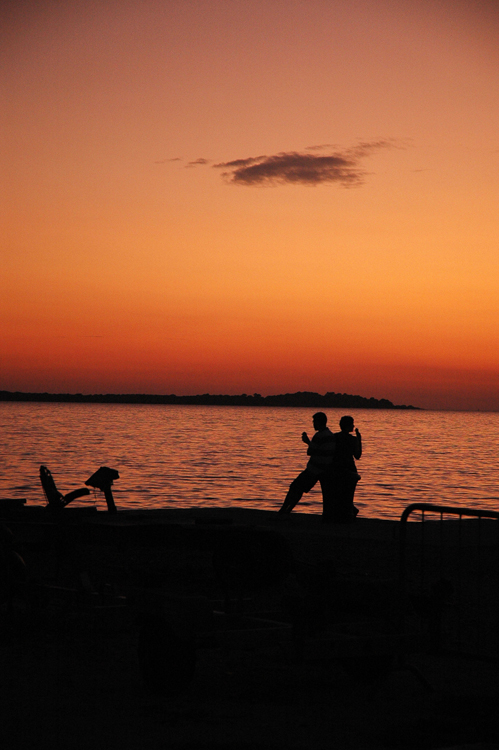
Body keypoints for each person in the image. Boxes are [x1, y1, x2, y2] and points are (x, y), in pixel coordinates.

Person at [278, 412, 335, 514]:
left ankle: (283, 512)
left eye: (314, 422)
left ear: (319, 422)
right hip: (321, 469)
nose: (313, 424)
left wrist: (308, 442)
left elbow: (311, 451)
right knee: (298, 489)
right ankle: (285, 512)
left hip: (314, 470)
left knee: (294, 488)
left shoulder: (319, 435)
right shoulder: (330, 435)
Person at [322, 415, 362, 523]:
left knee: (339, 494)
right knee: (348, 495)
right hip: (349, 470)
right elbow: (357, 455)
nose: (353, 426)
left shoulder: (334, 437)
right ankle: (349, 514)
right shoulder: (353, 440)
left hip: (336, 469)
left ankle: (345, 514)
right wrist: (359, 440)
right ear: (348, 426)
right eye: (352, 424)